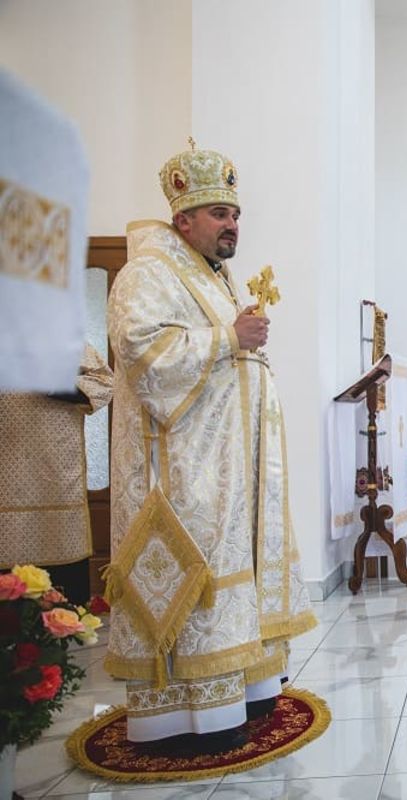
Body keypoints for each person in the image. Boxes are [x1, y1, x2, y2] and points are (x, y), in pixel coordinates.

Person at [104, 144, 317, 752]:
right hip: (182, 476)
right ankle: (187, 716)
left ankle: (244, 691)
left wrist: (237, 340)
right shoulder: (148, 272)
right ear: (183, 220)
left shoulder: (212, 275)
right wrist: (229, 336)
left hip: (229, 471)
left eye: (235, 214)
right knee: (198, 579)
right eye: (220, 214)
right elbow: (142, 351)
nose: (232, 226)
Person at [0, 344, 112, 604]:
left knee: (62, 582)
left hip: (55, 471)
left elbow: (105, 384)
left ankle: (63, 625)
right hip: (6, 465)